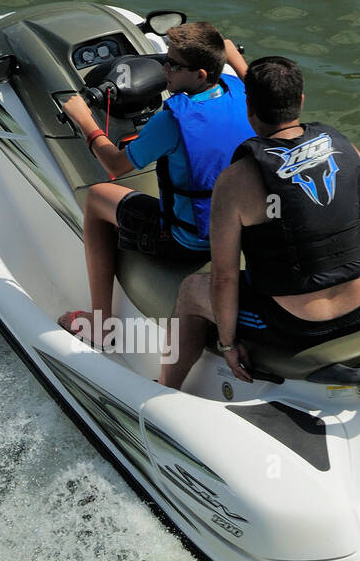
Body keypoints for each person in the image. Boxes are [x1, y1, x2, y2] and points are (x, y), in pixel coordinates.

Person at [159, 55, 360, 390]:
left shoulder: (235, 180)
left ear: (249, 109)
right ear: (300, 101)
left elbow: (224, 277)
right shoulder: (346, 149)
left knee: (190, 290)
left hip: (294, 326)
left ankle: (163, 389)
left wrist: (228, 345)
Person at [58, 21, 252, 343]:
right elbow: (249, 75)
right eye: (165, 58)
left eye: (173, 65)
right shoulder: (243, 92)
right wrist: (229, 54)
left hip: (187, 242)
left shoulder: (172, 120)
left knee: (97, 197)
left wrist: (84, 119)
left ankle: (100, 324)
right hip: (235, 231)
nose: (164, 69)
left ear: (201, 75)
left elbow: (115, 164)